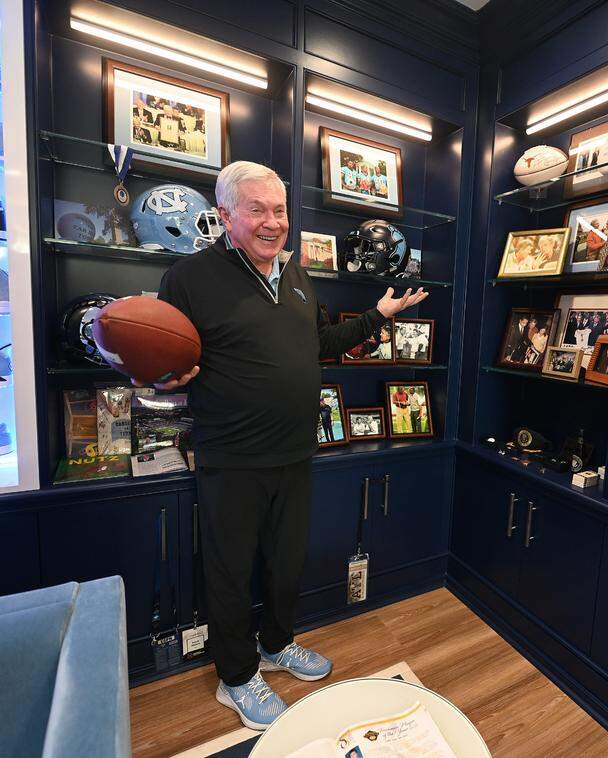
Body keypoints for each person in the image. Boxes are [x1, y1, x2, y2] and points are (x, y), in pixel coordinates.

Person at [148, 161, 427, 730]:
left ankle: (276, 644)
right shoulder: (189, 278)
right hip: (231, 457)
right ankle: (236, 675)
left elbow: (320, 342)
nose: (274, 222)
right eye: (259, 210)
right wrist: (158, 377)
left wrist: (379, 316)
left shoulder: (297, 277)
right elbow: (163, 357)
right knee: (229, 572)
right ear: (226, 215)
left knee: (284, 565)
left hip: (296, 453)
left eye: (280, 210)